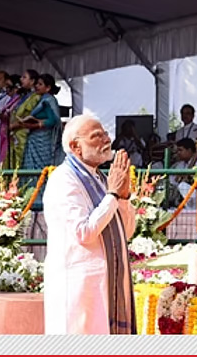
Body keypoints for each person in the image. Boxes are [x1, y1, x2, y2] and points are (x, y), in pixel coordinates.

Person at [43, 115, 136, 335]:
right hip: (78, 285)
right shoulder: (63, 179)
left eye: (105, 134)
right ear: (76, 146)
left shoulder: (100, 179)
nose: (107, 140)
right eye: (96, 136)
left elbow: (126, 232)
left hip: (104, 282)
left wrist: (123, 198)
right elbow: (83, 232)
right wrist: (112, 195)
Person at [22, 74, 64, 170]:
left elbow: (53, 120)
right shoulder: (41, 99)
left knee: (42, 168)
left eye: (40, 84)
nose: (36, 86)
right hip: (35, 140)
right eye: (37, 84)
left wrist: (36, 125)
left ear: (48, 87)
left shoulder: (48, 100)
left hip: (43, 141)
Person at [4, 69, 41, 170]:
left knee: (22, 163)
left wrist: (14, 125)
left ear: (32, 81)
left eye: (24, 77)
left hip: (25, 135)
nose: (21, 79)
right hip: (15, 135)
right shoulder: (23, 96)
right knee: (11, 162)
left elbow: (31, 117)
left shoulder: (36, 97)